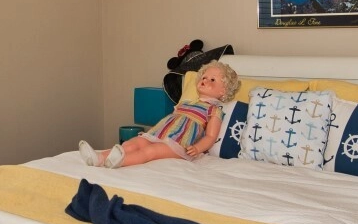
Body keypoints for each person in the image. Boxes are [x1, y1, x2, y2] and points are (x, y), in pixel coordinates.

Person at [79, 61, 239, 168]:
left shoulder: (214, 110)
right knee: (133, 143)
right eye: (204, 77)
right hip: (160, 135)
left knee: (151, 152)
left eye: (213, 80)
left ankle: (121, 161)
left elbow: (210, 136)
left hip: (180, 145)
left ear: (223, 91)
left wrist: (197, 148)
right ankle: (99, 157)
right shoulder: (185, 103)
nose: (205, 80)